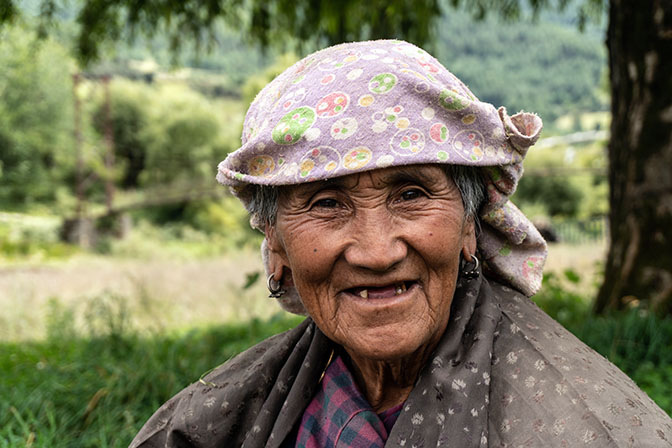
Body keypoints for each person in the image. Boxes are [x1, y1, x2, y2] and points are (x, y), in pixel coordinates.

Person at [131, 40, 672, 448]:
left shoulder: (580, 425)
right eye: (326, 204)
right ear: (275, 244)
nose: (376, 252)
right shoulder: (217, 418)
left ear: (469, 226)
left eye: (411, 194)